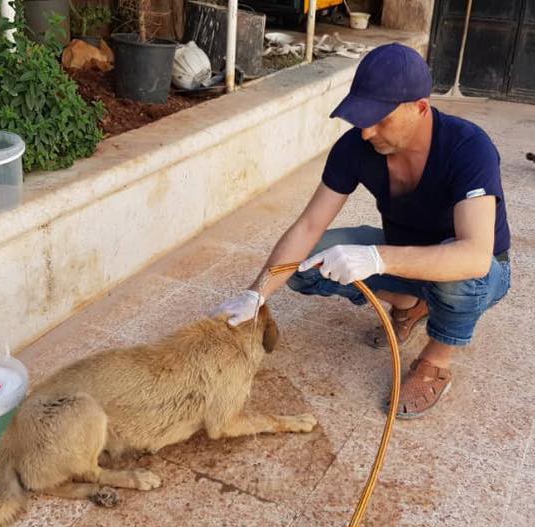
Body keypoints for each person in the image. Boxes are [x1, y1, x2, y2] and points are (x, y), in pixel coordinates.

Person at [212, 43, 511, 418]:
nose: (367, 131)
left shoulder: (468, 147)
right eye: (361, 117)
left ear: (419, 108)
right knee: (304, 267)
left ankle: (437, 360)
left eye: (380, 118)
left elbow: (474, 255)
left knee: (459, 278)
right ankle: (409, 304)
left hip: (481, 272)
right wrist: (256, 294)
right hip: (402, 253)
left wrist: (374, 257)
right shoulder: (355, 148)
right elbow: (308, 225)